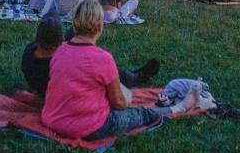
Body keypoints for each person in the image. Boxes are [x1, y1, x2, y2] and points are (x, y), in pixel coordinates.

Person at [41, 0, 204, 141]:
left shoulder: (60, 51)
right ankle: (179, 108)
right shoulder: (102, 58)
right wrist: (126, 98)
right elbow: (119, 104)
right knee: (140, 114)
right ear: (100, 26)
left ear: (75, 24)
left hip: (52, 120)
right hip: (89, 128)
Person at [22, 13, 160, 96]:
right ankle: (136, 77)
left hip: (46, 85)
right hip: (66, 91)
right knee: (111, 73)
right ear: (59, 43)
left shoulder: (30, 52)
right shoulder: (60, 65)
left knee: (74, 33)